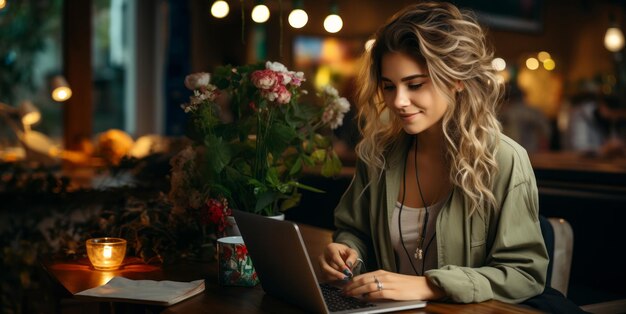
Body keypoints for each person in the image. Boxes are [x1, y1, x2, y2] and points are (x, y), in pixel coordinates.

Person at [318, 1, 554, 307]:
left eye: (414, 84)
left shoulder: (504, 160)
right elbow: (354, 230)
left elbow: (525, 273)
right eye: (388, 87)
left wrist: (430, 286)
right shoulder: (377, 155)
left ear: (456, 80)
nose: (399, 101)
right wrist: (348, 252)